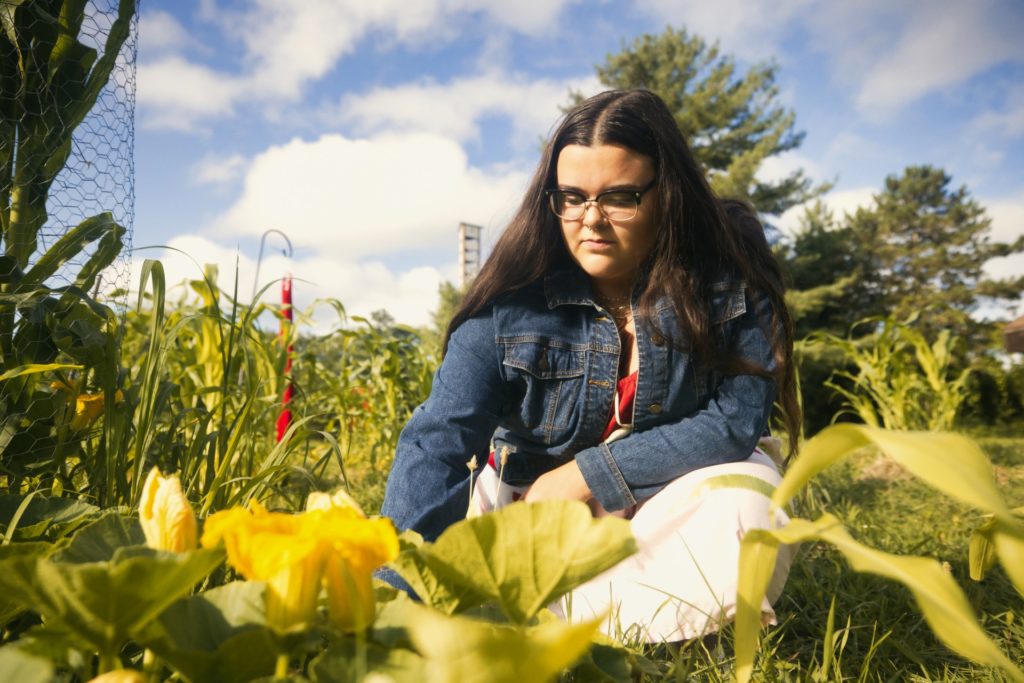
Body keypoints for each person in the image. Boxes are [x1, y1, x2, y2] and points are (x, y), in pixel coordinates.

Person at [380, 89, 800, 641]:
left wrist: (585, 475)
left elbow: (735, 422)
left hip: (664, 502)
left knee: (745, 504)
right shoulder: (512, 304)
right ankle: (602, 617)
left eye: (620, 197)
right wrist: (390, 603)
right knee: (452, 543)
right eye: (572, 197)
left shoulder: (726, 276)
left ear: (666, 195)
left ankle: (578, 623)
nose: (591, 220)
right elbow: (436, 443)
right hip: (530, 511)